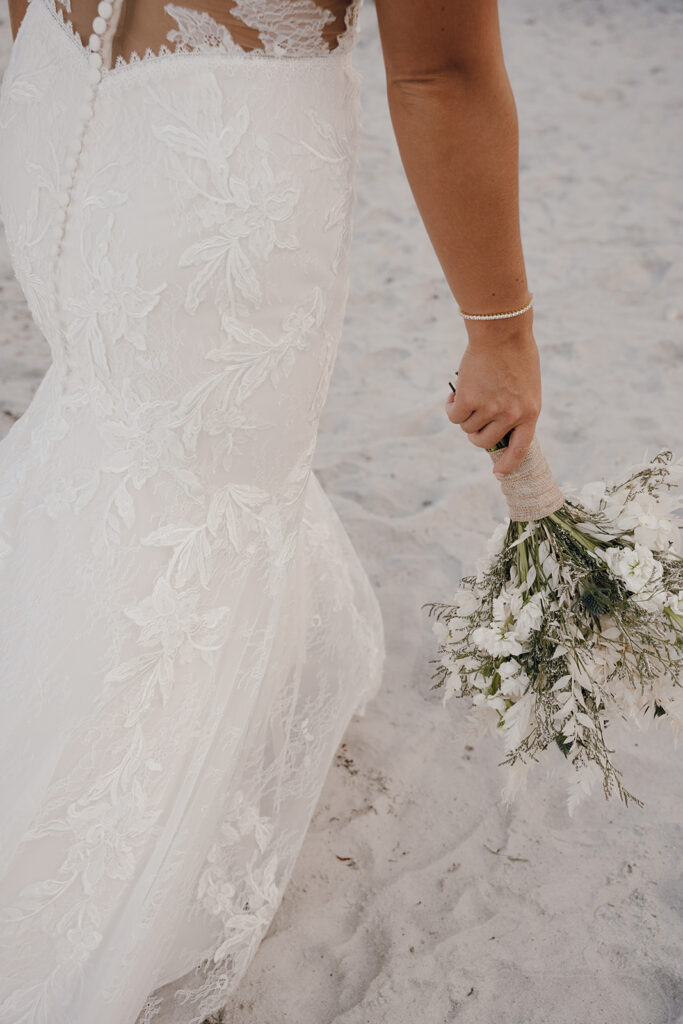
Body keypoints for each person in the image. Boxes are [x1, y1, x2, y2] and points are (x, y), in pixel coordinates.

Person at [0, 1, 540, 1021]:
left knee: (110, 432)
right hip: (214, 152)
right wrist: (501, 334)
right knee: (208, 487)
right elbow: (441, 76)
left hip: (52, 90)